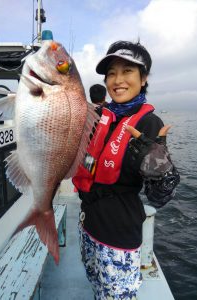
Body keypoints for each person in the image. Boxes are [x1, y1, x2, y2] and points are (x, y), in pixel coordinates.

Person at [72, 40, 180, 300]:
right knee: (95, 282)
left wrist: (160, 168)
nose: (117, 80)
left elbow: (159, 198)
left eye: (127, 71)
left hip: (118, 236)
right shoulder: (99, 115)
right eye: (111, 73)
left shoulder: (149, 123)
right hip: (88, 224)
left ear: (143, 78)